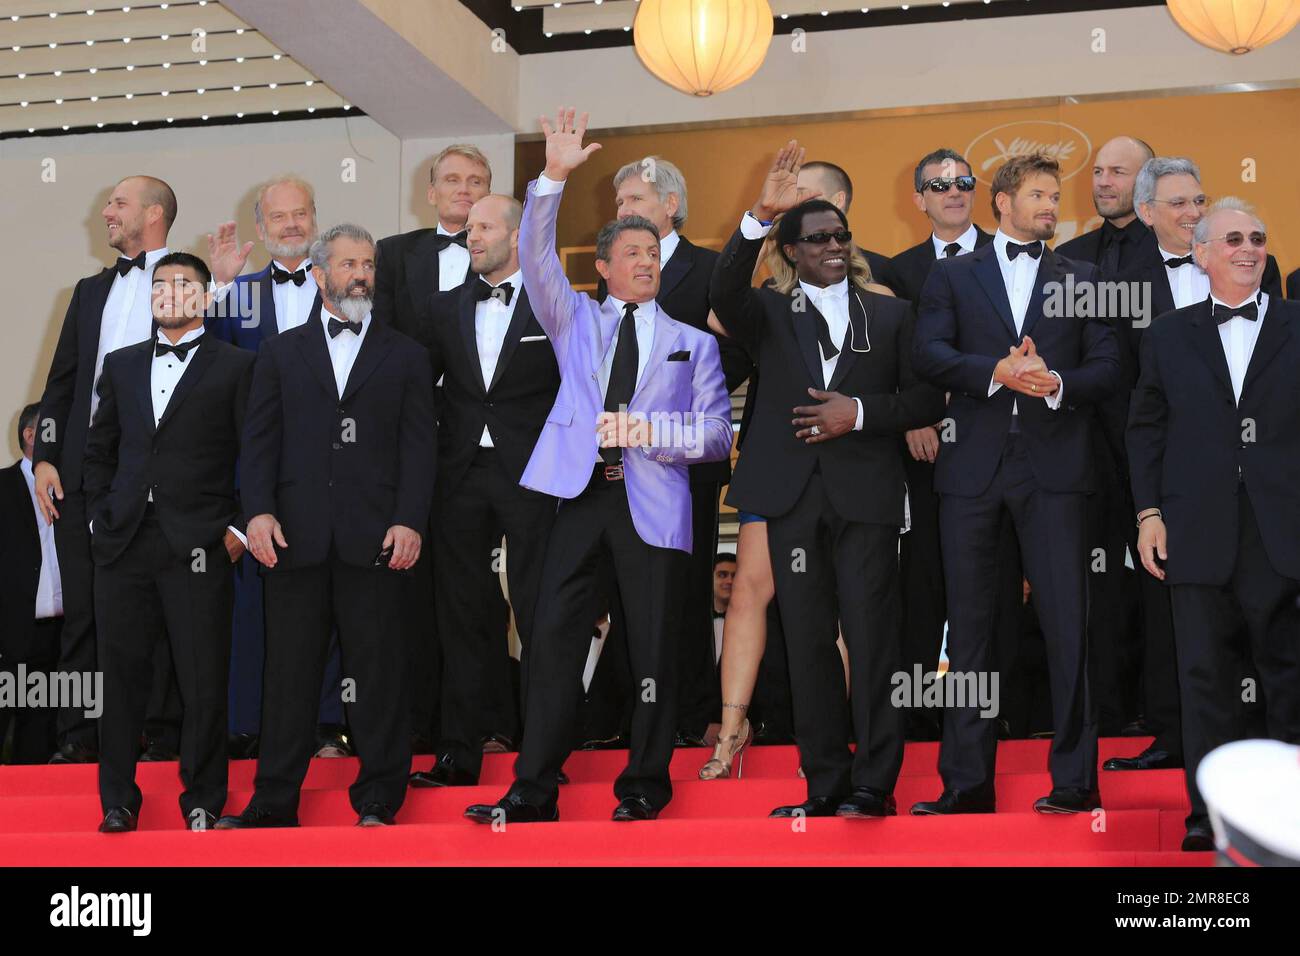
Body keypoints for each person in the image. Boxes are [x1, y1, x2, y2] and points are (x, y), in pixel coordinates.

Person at [464, 108, 732, 824]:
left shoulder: (692, 343)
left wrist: (650, 428)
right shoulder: (571, 318)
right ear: (605, 267)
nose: (646, 262)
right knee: (550, 642)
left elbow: (715, 435)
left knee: (652, 651)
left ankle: (645, 784)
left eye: (654, 252)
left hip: (652, 502)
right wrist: (551, 175)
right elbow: (536, 251)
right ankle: (533, 788)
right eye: (632, 253)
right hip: (577, 501)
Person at [710, 140, 944, 817]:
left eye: (840, 235)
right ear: (791, 250)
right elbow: (720, 288)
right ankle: (824, 785)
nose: (833, 246)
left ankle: (874, 785)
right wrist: (758, 213)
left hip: (866, 498)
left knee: (872, 641)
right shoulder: (769, 315)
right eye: (816, 239)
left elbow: (925, 402)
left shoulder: (894, 314)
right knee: (807, 642)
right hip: (791, 499)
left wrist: (861, 414)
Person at [912, 153, 1121, 815]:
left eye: (1055, 197)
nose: (1051, 206)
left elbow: (1109, 365)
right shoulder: (951, 276)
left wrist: (1055, 383)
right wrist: (995, 370)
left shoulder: (1082, 277)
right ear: (1001, 202)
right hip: (970, 468)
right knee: (967, 629)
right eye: (1037, 194)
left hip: (1055, 467)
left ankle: (1074, 781)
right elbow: (929, 353)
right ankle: (967, 783)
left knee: (1067, 625)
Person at [216, 224, 435, 829]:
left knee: (378, 673)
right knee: (287, 675)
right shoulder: (280, 354)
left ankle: (379, 800)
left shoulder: (407, 355)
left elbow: (421, 451)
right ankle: (273, 802)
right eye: (347, 264)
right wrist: (256, 510)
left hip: (378, 542)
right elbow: (258, 443)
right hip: (294, 537)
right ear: (318, 275)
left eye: (367, 264)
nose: (360, 273)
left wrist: (409, 520)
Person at [1127, 198, 1300, 851]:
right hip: (1195, 530)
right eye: (1232, 239)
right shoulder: (1169, 334)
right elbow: (1145, 430)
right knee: (1204, 679)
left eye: (1257, 237)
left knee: (1288, 675)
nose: (1248, 248)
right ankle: (1209, 811)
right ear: (1201, 254)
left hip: (1281, 531)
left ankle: (1287, 816)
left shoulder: (1297, 323)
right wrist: (1148, 513)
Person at [84, 253, 254, 833]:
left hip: (201, 544)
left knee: (204, 677)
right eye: (160, 284)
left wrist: (237, 529)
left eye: (183, 284)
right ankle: (117, 800)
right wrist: (99, 520)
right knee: (120, 677)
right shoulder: (123, 364)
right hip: (124, 541)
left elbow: (256, 457)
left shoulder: (237, 366)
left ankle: (204, 798)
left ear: (206, 298)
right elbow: (100, 449)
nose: (168, 292)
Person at [408, 194, 561, 787]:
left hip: (534, 475)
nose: (472, 236)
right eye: (468, 228)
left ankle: (545, 754)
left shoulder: (556, 305)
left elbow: (578, 385)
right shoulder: (440, 309)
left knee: (541, 612)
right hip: (461, 475)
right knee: (462, 615)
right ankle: (458, 754)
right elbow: (420, 392)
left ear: (519, 235)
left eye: (485, 227)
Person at [600, 156, 753, 748]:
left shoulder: (714, 271)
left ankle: (690, 716)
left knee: (684, 589)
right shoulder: (610, 273)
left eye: (634, 201)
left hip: (685, 461)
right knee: (623, 588)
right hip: (614, 467)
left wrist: (667, 422)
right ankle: (626, 717)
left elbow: (738, 356)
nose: (623, 213)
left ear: (670, 205)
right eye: (618, 205)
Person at [32, 175, 180, 764]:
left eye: (118, 203)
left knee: (164, 603)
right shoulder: (88, 291)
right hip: (83, 471)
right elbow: (61, 381)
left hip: (157, 470)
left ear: (153, 214)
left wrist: (216, 285)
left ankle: (160, 731)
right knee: (85, 609)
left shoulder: (187, 282)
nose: (106, 212)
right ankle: (77, 735)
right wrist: (45, 455)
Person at [203, 176, 350, 760]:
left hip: (336, 466)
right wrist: (217, 288)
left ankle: (324, 726)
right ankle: (247, 725)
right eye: (279, 218)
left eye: (300, 215)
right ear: (261, 228)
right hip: (253, 468)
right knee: (251, 601)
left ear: (315, 219)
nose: (291, 225)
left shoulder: (345, 286)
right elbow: (202, 358)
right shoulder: (237, 293)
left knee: (328, 597)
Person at [373, 144, 496, 754]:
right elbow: (384, 342)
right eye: (452, 180)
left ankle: (488, 722)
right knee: (414, 588)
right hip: (416, 440)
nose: (465, 189)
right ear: (431, 191)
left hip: (491, 445)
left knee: (475, 592)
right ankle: (420, 727)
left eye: (477, 180)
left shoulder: (513, 250)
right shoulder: (394, 255)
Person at [885, 147, 995, 740]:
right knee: (924, 584)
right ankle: (923, 718)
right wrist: (912, 418)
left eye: (963, 182)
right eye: (939, 184)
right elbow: (893, 362)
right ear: (919, 198)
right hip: (923, 452)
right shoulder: (897, 271)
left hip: (998, 445)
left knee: (992, 585)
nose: (953, 192)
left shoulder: (1012, 258)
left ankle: (996, 714)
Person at [0, 404, 64, 764]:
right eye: (53, 431)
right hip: (8, 638)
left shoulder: (75, 490)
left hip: (58, 637)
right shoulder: (2, 487)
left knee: (38, 745)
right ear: (30, 435)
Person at [1055, 136, 1156, 278]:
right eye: (1098, 171)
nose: (1103, 182)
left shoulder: (1171, 251)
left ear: (1147, 180)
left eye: (1117, 172)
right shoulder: (1067, 256)